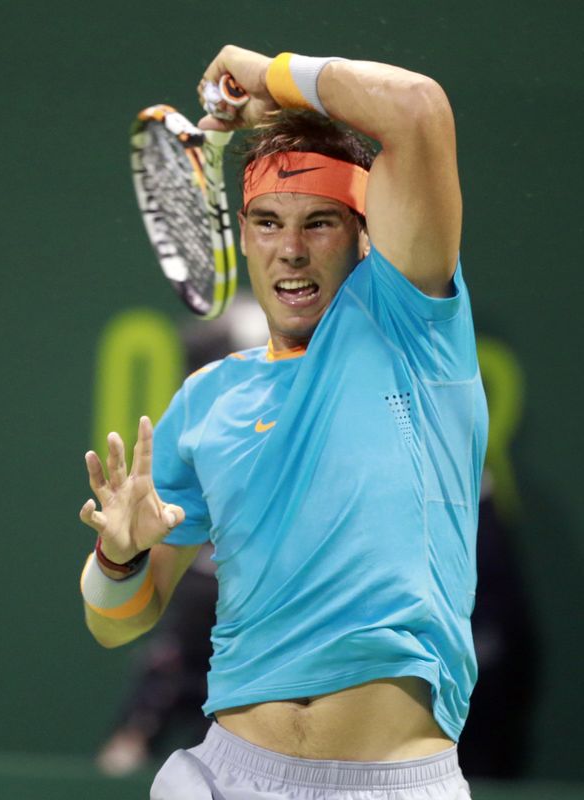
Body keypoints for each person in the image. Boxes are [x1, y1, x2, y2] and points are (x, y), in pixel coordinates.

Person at [79, 45, 488, 800]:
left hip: (392, 783)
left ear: (367, 234)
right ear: (243, 232)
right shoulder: (206, 401)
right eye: (268, 221)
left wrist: (266, 72)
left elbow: (418, 109)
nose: (290, 250)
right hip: (225, 773)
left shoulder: (411, 331)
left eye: (321, 223)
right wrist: (120, 557)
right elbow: (116, 622)